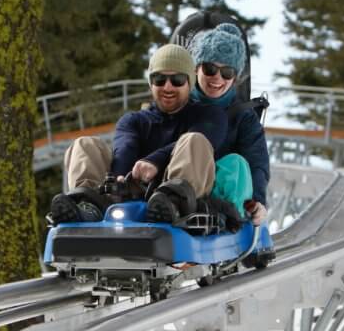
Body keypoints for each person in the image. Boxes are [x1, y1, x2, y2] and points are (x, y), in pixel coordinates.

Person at [49, 44, 227, 224]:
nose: (167, 87)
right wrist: (119, 178)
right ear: (151, 83)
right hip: (130, 193)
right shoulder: (133, 120)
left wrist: (154, 161)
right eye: (159, 79)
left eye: (177, 80)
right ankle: (88, 206)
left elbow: (204, 139)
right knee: (84, 144)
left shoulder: (210, 115)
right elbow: (125, 146)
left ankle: (173, 204)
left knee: (194, 140)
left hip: (179, 196)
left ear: (190, 83)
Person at [188, 23, 270, 226]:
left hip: (223, 193)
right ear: (197, 68)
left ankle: (227, 218)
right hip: (182, 185)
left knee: (236, 164)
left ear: (235, 78)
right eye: (210, 68)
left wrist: (258, 201)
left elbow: (256, 162)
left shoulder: (244, 116)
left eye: (227, 72)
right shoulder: (181, 105)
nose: (217, 77)